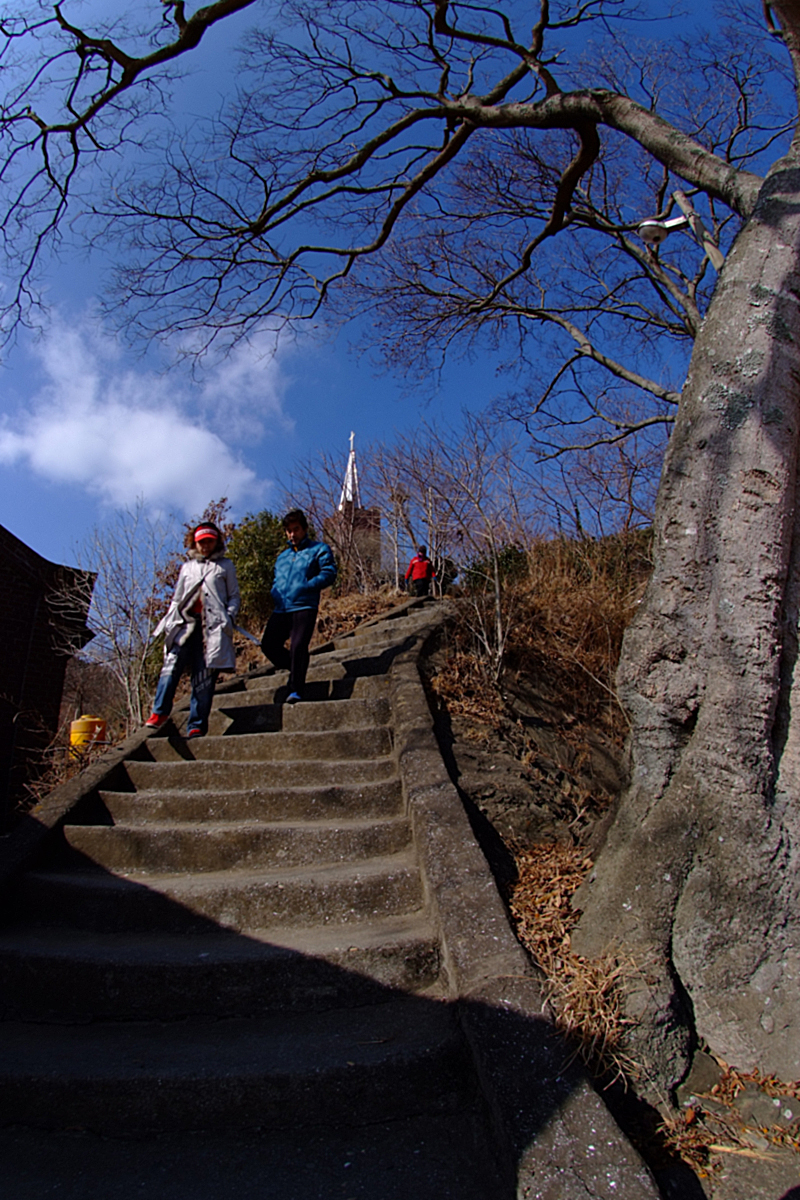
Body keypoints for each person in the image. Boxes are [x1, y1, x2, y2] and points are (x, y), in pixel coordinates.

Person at [145, 522, 240, 738]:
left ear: (216, 541)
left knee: (203, 678)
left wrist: (230, 616)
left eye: (209, 541)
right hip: (185, 625)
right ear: (194, 542)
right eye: (201, 541)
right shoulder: (187, 567)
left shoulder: (226, 566)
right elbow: (177, 598)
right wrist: (169, 621)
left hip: (213, 629)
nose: (205, 545)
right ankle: (159, 712)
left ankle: (196, 725)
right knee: (171, 667)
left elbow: (234, 595)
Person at [260, 509, 337, 703]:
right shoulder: (282, 557)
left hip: (304, 606)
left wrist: (308, 586)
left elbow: (329, 573)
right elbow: (277, 579)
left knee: (298, 647)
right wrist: (274, 591)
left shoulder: (319, 549)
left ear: (304, 529)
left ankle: (295, 689)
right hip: (281, 608)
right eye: (288, 531)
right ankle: (296, 667)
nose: (292, 534)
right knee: (268, 645)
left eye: (296, 529)